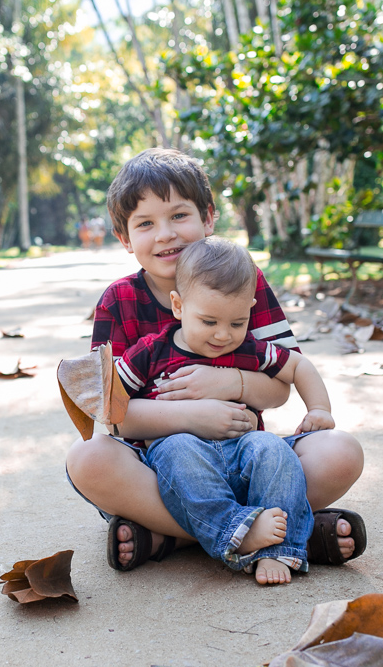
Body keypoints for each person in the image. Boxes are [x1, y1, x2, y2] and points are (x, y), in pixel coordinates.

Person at [64, 147, 366, 571]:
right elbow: (112, 414)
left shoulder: (243, 279)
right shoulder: (119, 300)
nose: (165, 233)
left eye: (179, 216)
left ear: (208, 218)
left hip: (246, 459)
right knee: (88, 459)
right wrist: (195, 416)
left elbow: (281, 386)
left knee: (341, 452)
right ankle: (287, 531)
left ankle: (169, 538)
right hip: (157, 467)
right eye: (146, 223)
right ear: (125, 238)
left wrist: (230, 384)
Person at [114, 237, 337, 584]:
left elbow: (298, 366)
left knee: (272, 448)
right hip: (181, 452)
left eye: (237, 322)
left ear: (249, 308)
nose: (223, 335)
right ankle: (236, 530)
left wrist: (320, 408)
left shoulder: (248, 348)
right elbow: (111, 401)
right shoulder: (152, 351)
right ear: (178, 305)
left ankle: (277, 550)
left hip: (241, 447)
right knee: (178, 449)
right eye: (209, 321)